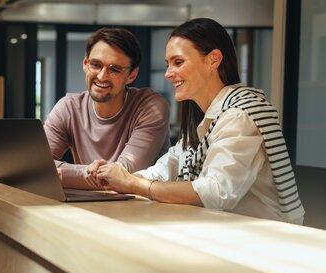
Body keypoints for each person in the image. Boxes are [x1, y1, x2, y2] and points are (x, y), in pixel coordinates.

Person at [95, 18, 305, 224]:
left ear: (213, 59)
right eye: (168, 64)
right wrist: (118, 177)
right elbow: (165, 169)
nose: (168, 73)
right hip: (223, 230)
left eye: (178, 62)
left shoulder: (240, 114)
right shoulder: (203, 117)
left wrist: (133, 184)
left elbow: (216, 192)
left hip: (263, 239)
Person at [43, 27, 171, 190]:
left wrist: (62, 174)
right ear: (85, 64)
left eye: (114, 69)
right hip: (92, 206)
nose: (102, 76)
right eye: (96, 65)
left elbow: (123, 176)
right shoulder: (69, 108)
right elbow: (38, 166)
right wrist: (85, 172)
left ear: (132, 75)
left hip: (143, 209)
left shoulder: (151, 107)